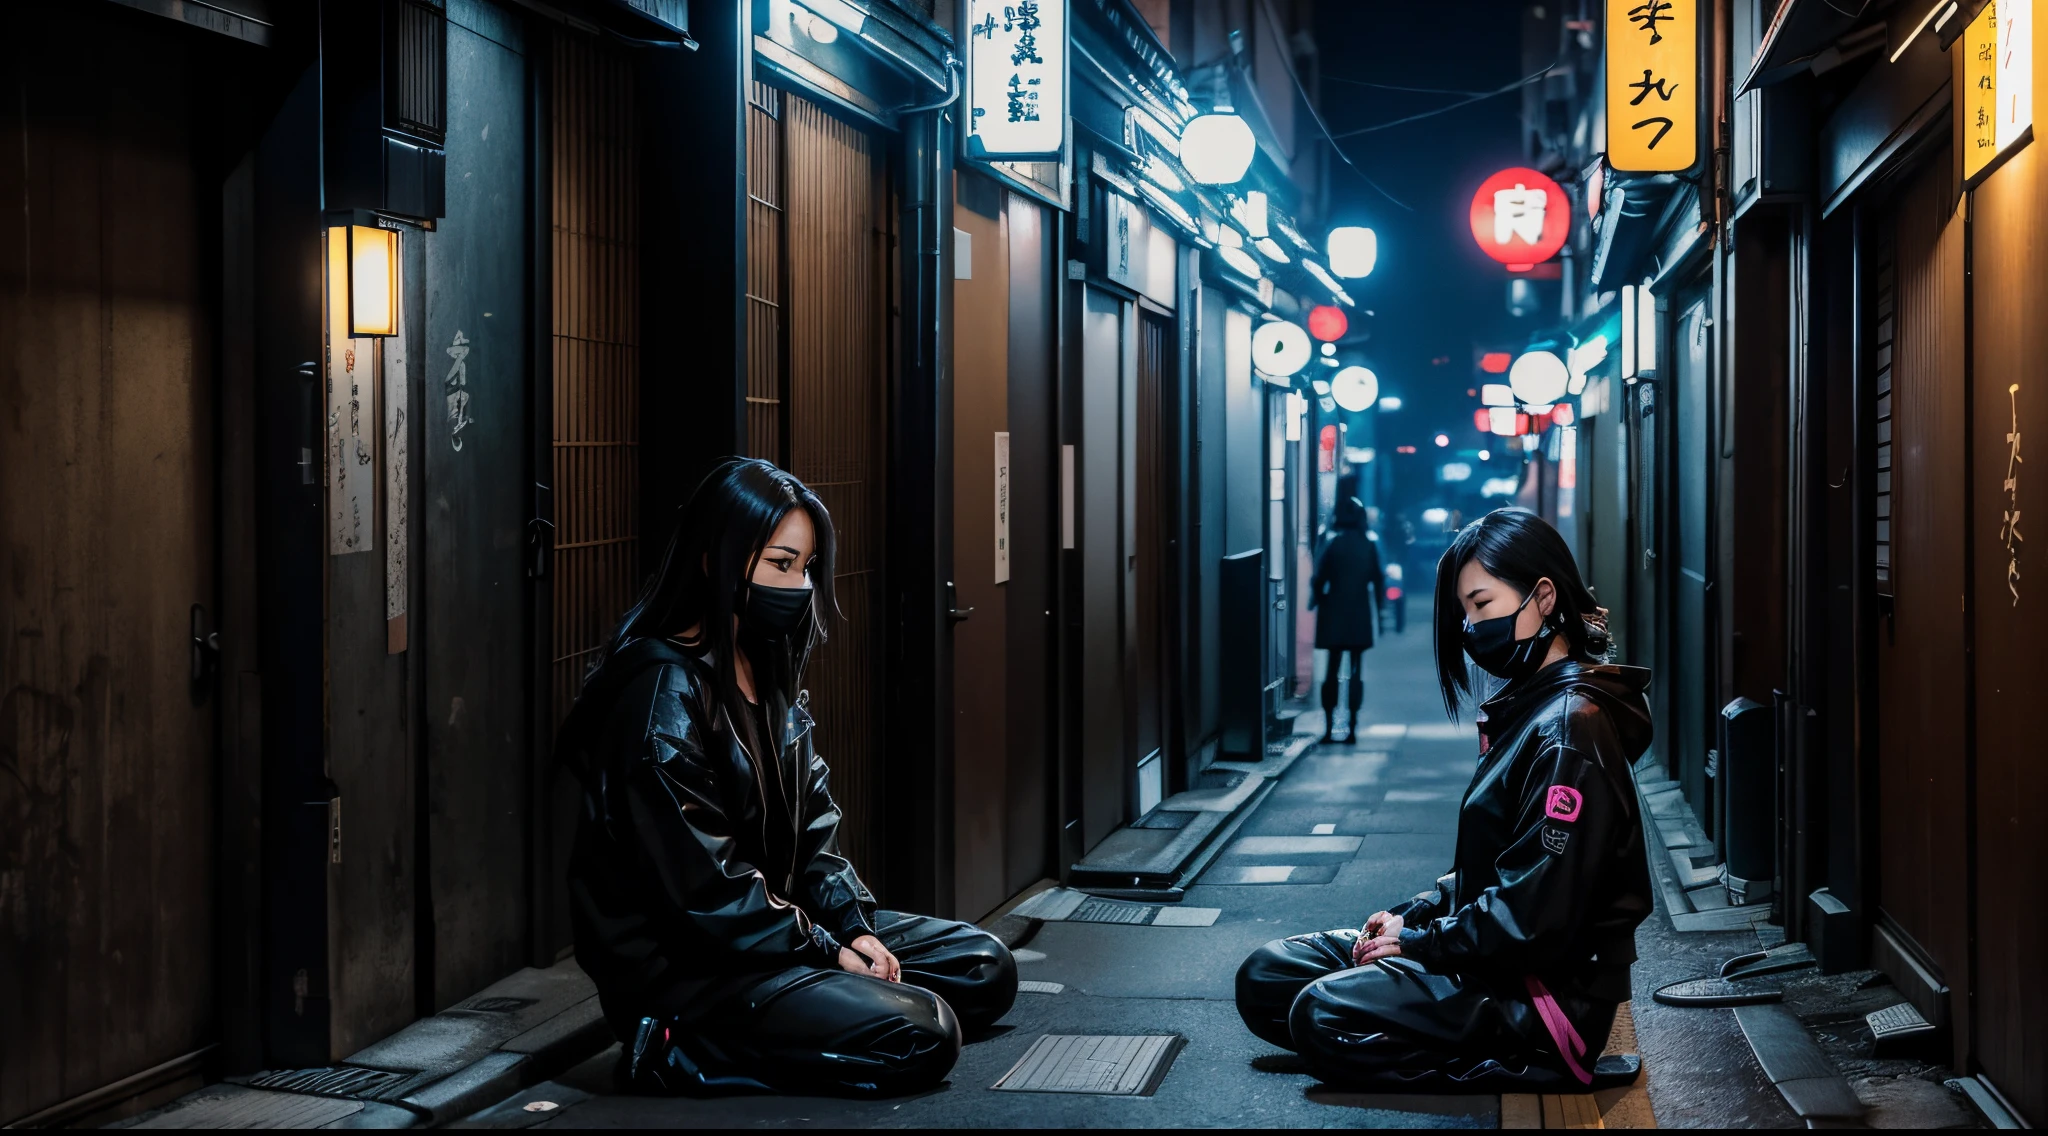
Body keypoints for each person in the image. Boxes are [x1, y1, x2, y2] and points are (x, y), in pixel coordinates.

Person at [557, 459, 1017, 1098]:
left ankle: (824, 1002)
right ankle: (679, 1050)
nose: (798, 586)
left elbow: (813, 833)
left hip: (778, 934)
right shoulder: (660, 693)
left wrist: (851, 926)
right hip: (695, 974)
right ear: (717, 562)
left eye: (804, 568)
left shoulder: (764, 671)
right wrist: (828, 951)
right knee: (922, 1033)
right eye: (780, 565)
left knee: (982, 967)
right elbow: (707, 895)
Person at [1235, 509, 1653, 1091]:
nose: (1470, 627)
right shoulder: (1532, 706)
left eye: (1482, 605)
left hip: (1541, 998)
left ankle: (1517, 1065)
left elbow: (1531, 921)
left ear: (1544, 597)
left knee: (1320, 1013)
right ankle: (1378, 1031)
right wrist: (1411, 917)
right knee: (1269, 975)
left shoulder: (1570, 731)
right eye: (1465, 611)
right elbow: (1489, 876)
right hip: (1488, 958)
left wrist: (1415, 945)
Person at [1310, 495, 1384, 745]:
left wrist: (1317, 598)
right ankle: (1352, 728)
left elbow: (1319, 578)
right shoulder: (1368, 544)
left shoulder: (1332, 543)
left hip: (1333, 613)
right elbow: (1378, 579)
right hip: (1359, 614)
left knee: (1331, 671)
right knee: (1355, 670)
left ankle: (1329, 728)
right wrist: (1381, 614)